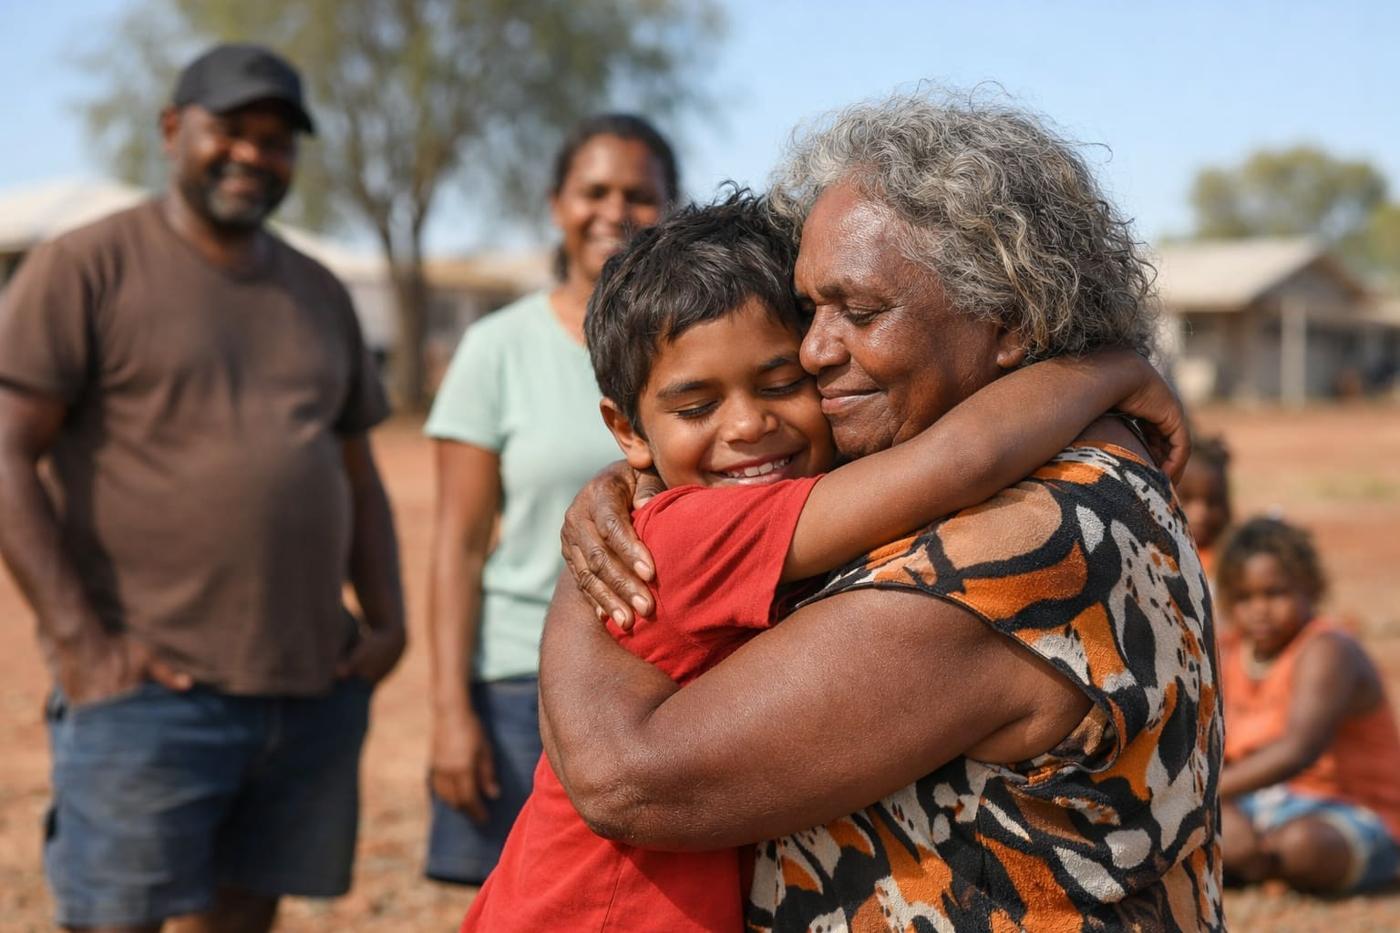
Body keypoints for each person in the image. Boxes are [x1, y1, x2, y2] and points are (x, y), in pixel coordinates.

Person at [545, 92, 1223, 930]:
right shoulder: (1041, 462)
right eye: (809, 309)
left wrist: (606, 564)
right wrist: (634, 493)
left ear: (1005, 320)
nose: (815, 350)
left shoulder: (1023, 541)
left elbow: (630, 777)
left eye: (860, 313)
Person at [0, 43, 404, 933]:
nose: (255, 154)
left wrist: (387, 619)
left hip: (305, 692)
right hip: (146, 692)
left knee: (243, 921)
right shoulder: (85, 268)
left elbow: (357, 472)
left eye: (277, 139)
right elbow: (7, 452)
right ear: (174, 129)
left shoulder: (319, 292)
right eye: (232, 130)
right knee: (115, 920)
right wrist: (81, 641)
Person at [423, 113, 680, 884]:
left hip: (666, 680)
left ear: (670, 206)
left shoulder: (696, 344)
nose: (614, 210)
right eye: (592, 190)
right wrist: (448, 712)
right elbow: (457, 545)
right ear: (556, 205)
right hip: (518, 683)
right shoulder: (496, 348)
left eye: (639, 193)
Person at [1216, 516, 1400, 894]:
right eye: (1245, 598)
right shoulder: (1230, 650)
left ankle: (1263, 863)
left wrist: (1205, 795)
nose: (1260, 609)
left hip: (1347, 807)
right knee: (1214, 830)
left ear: (1310, 589)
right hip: (1257, 802)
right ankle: (1255, 863)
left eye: (1275, 593)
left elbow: (1299, 749)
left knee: (1301, 846)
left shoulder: (1327, 648)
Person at [1177, 434, 1232, 578]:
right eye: (1186, 498)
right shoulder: (1153, 557)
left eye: (1212, 501)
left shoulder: (1231, 561)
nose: (1200, 513)